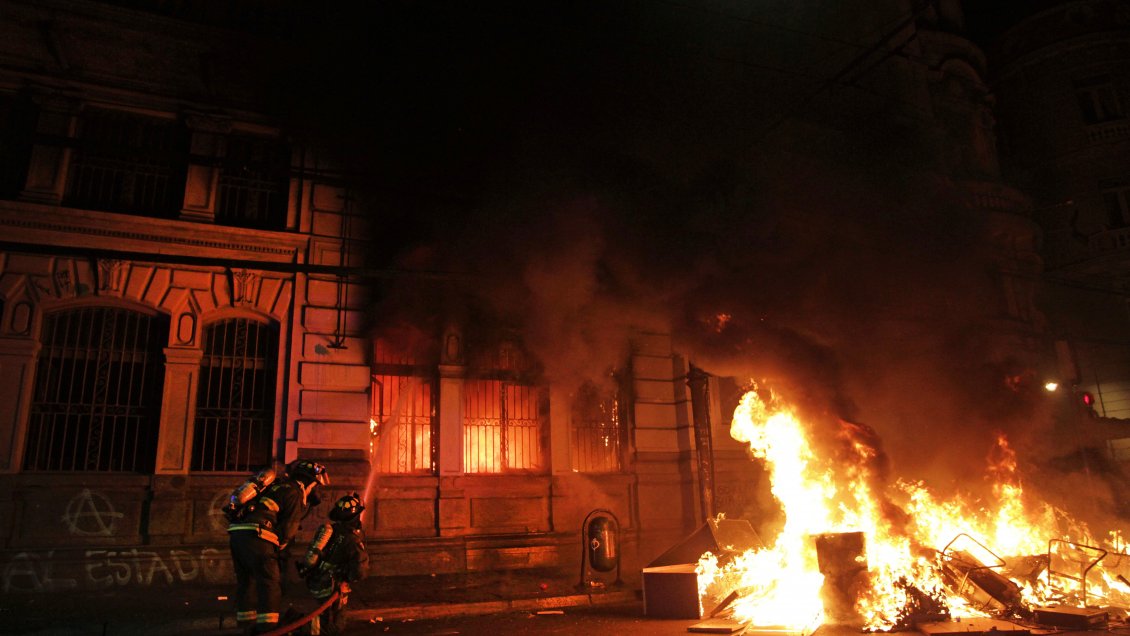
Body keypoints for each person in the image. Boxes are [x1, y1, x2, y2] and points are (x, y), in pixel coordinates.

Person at [228, 459, 330, 634]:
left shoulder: (277, 486)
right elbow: (288, 529)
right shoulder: (295, 492)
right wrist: (280, 548)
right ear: (309, 482)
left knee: (247, 581)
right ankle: (269, 629)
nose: (314, 490)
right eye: (314, 486)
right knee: (269, 582)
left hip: (238, 535)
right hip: (259, 536)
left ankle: (246, 626)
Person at [297, 492, 370, 635]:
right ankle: (297, 628)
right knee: (334, 626)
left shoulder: (332, 530)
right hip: (332, 587)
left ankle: (298, 623)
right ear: (355, 517)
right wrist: (347, 578)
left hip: (316, 580)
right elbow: (360, 570)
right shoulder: (352, 540)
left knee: (325, 617)